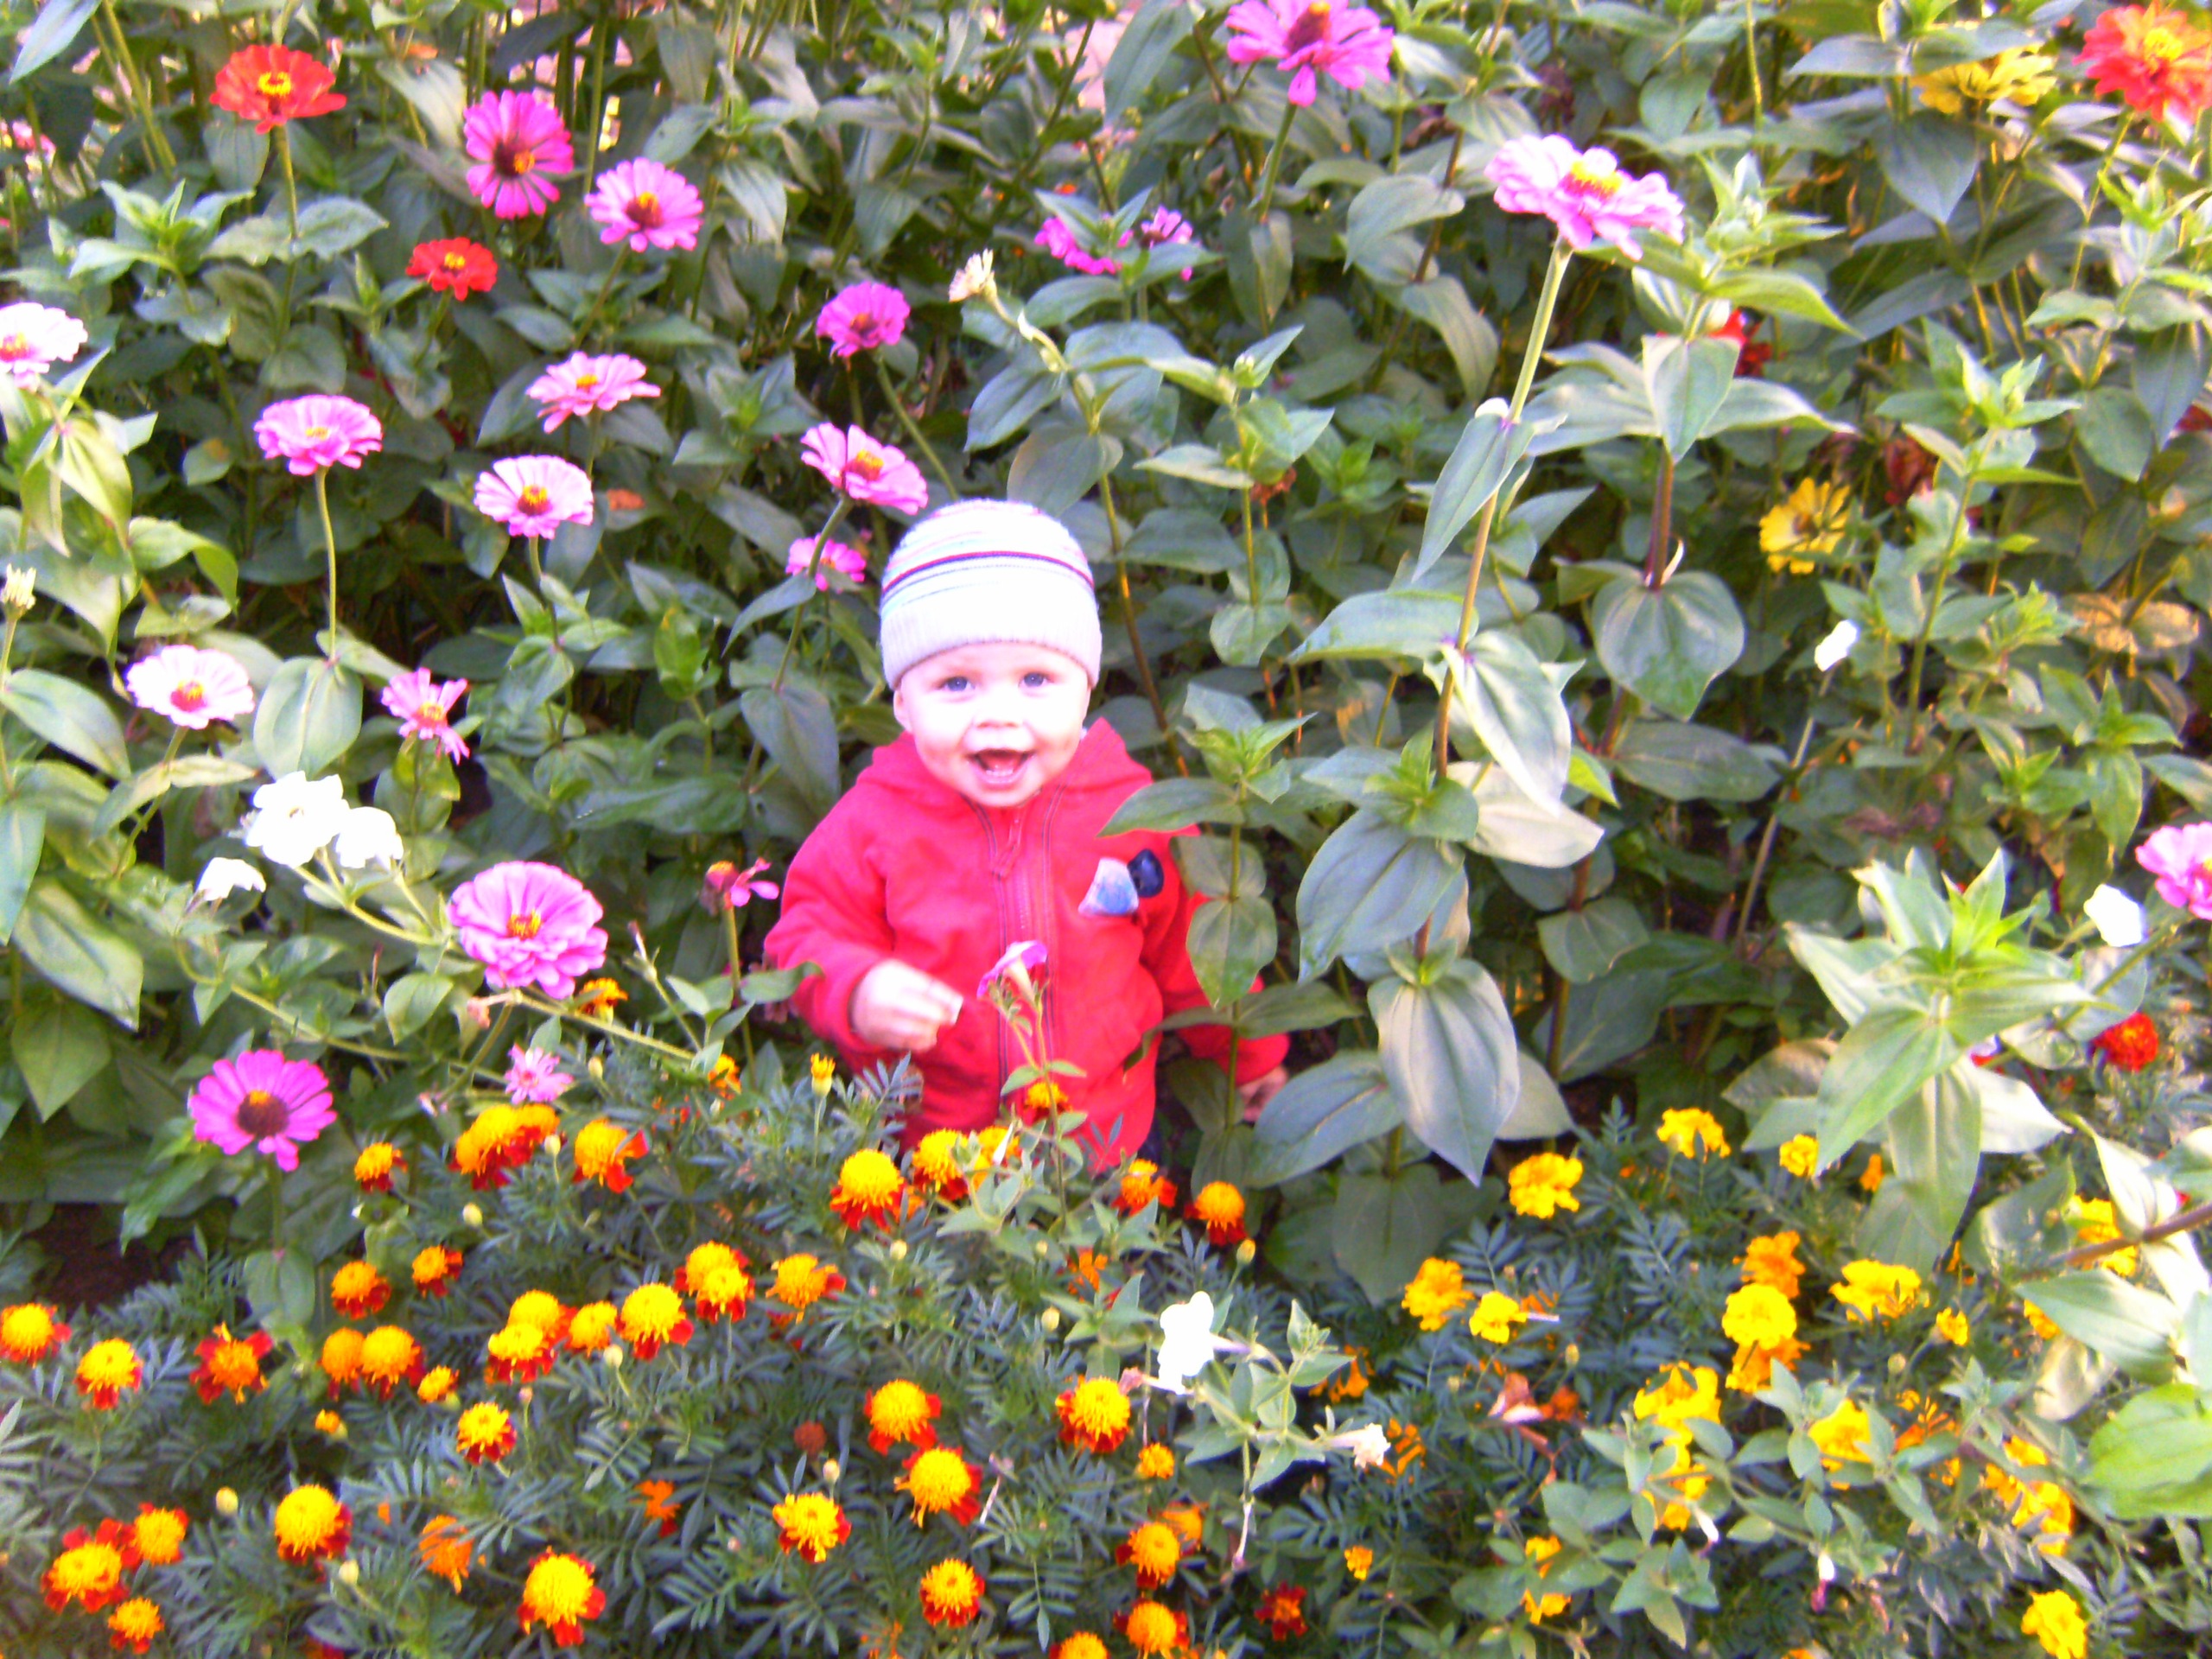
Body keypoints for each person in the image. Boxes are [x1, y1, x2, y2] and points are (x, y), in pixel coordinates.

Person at [762, 499, 1289, 1165]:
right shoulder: (875, 822)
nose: (998, 714)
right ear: (902, 703)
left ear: (1086, 689)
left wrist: (1250, 1055)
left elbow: (1199, 946)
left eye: (1036, 679)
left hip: (1103, 1139)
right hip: (936, 1149)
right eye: (956, 684)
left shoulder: (1135, 814)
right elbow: (804, 937)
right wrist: (857, 989)